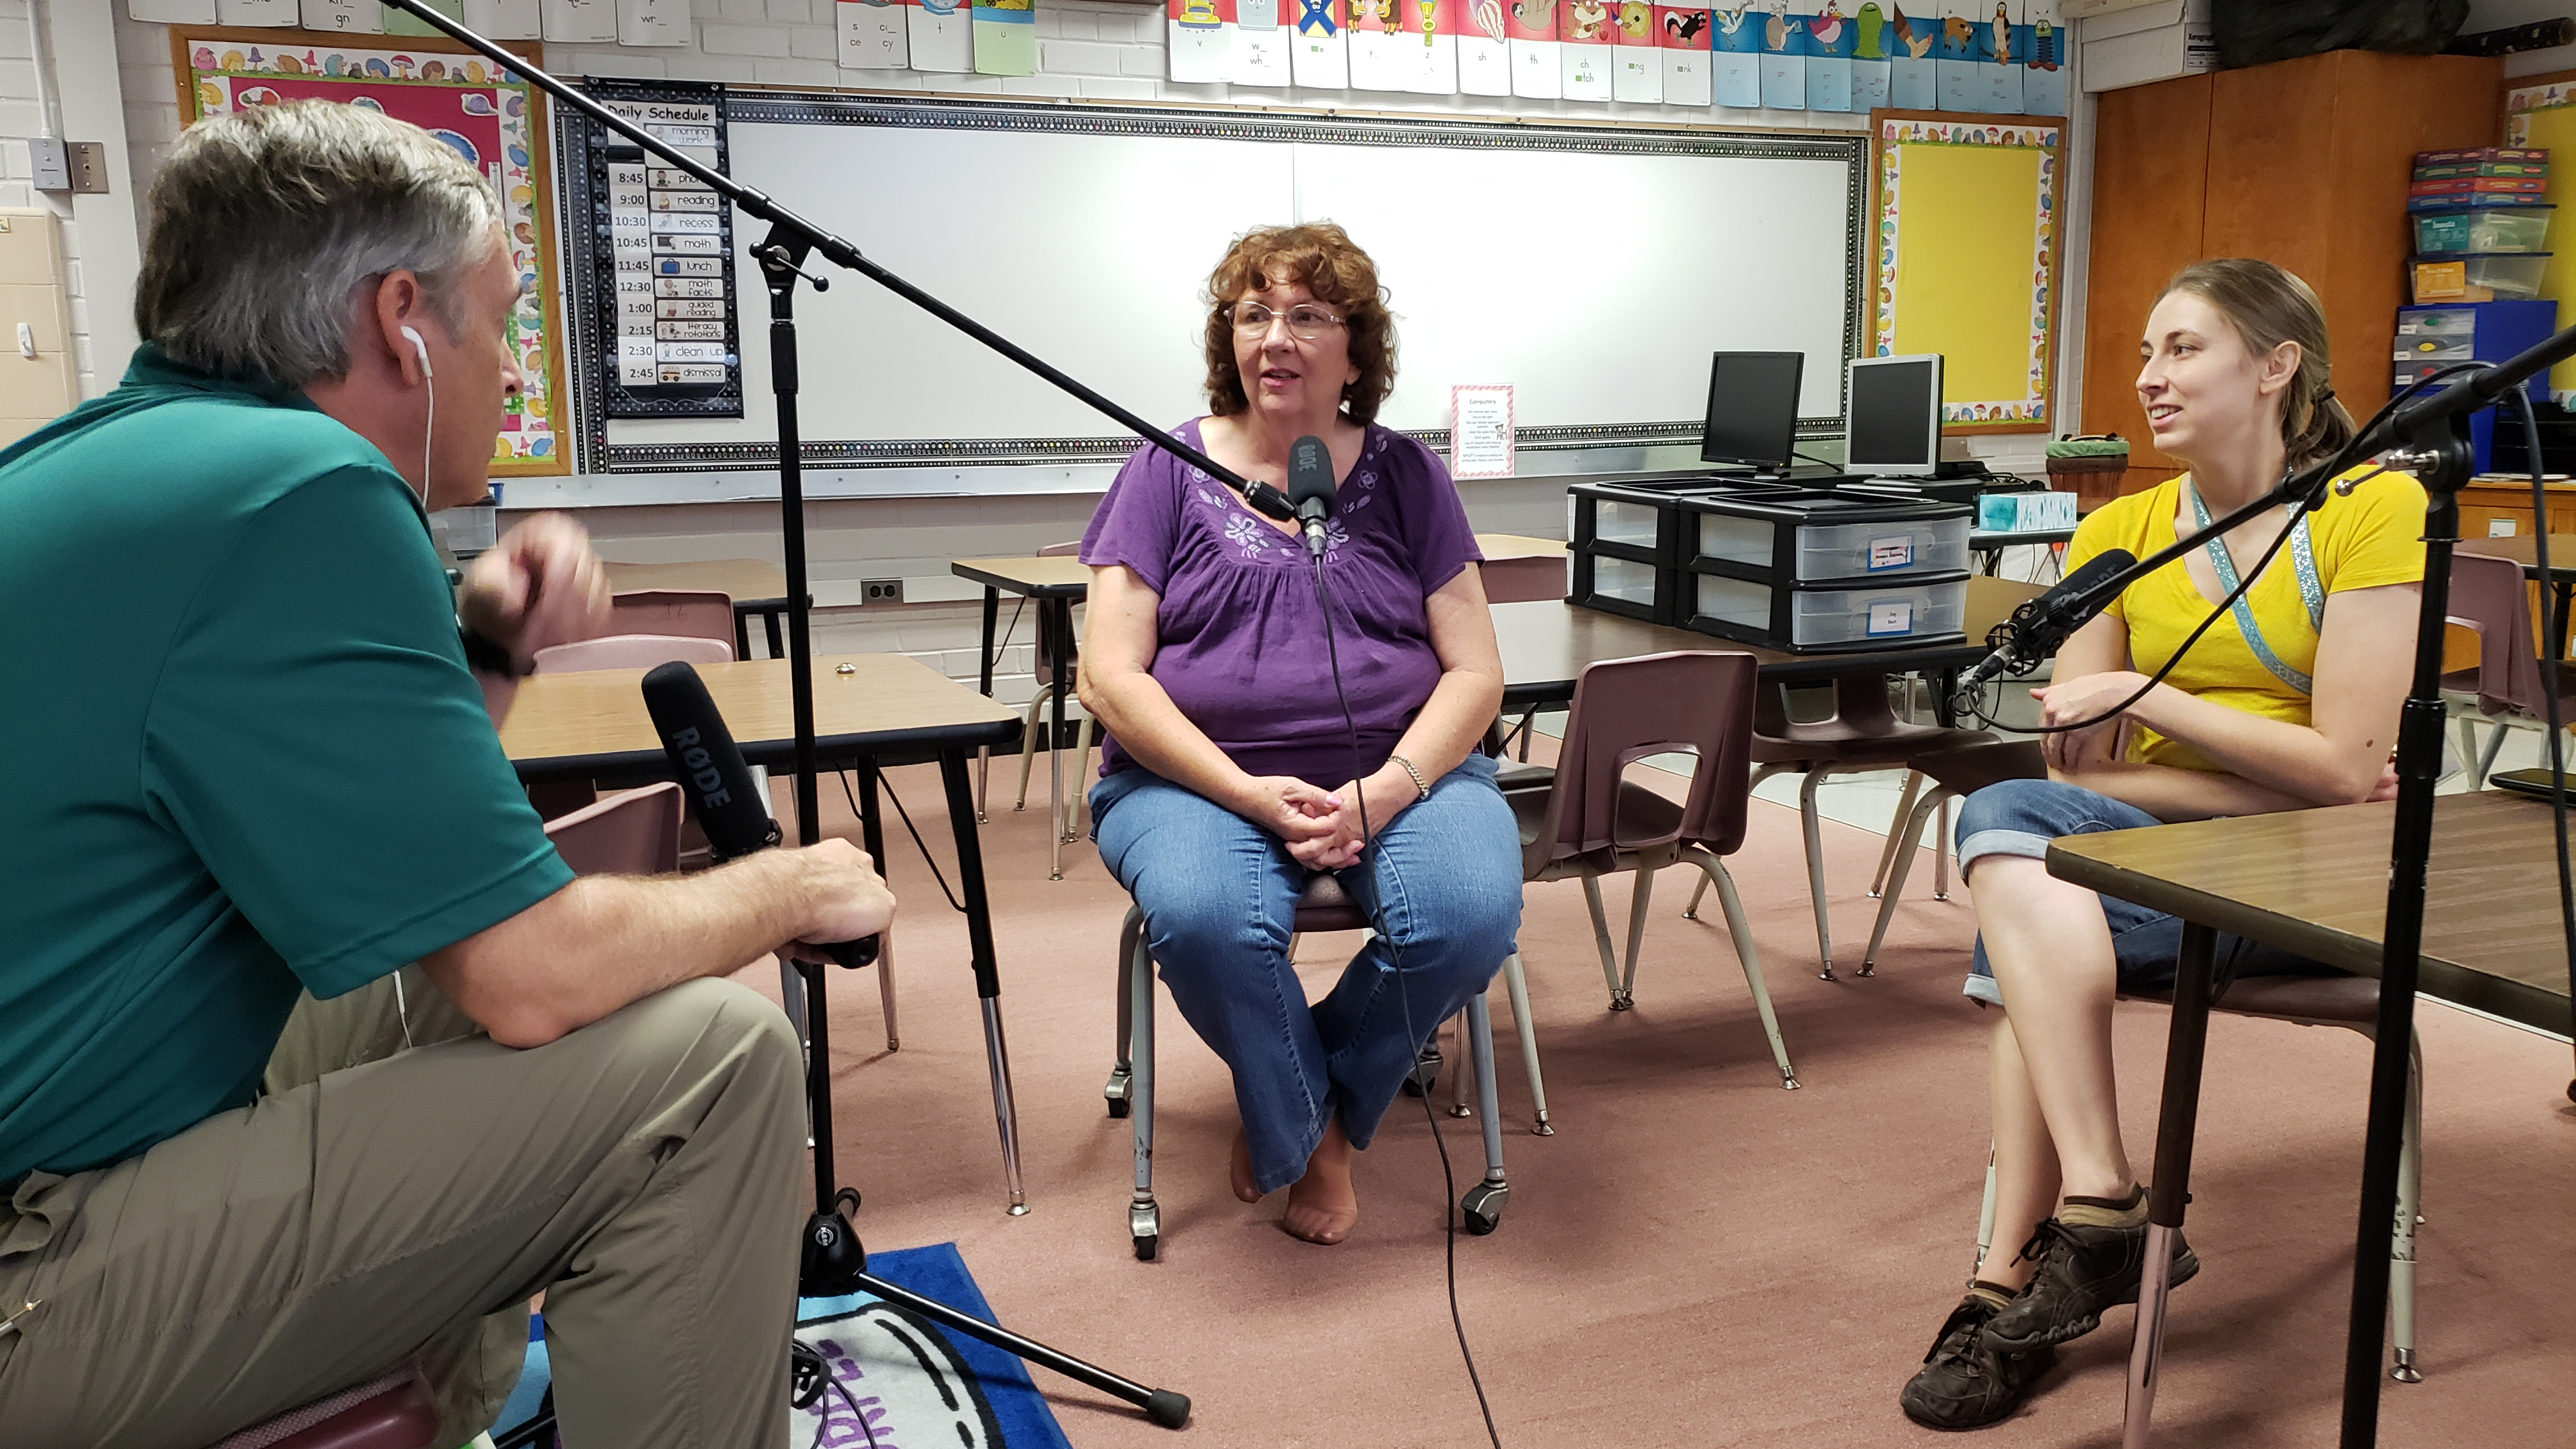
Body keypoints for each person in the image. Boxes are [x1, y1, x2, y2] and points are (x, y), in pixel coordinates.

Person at [0, 102, 893, 1449]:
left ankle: (457, 1421)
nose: (517, 373)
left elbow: (417, 878)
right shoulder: (303, 492)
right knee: (711, 1069)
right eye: (506, 317)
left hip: (70, 1129)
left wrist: (481, 641)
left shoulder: (116, 460)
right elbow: (530, 973)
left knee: (432, 987)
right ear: (402, 322)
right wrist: (786, 888)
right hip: (38, 1266)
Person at [1899, 258, 2424, 1430]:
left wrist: (2149, 697)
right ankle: (2093, 1214)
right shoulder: (2119, 530)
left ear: (2277, 366)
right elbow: (2071, 768)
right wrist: (2269, 775)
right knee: (2020, 848)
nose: (2149, 379)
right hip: (2160, 871)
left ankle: (2020, 1277)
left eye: (2183, 350)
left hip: (2307, 894)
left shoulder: (2373, 507)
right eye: (2148, 353)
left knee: (2017, 883)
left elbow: (2345, 772)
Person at [1077, 222, 1522, 1246]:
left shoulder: (1410, 476)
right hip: (1189, 783)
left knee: (1469, 914)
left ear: (1357, 353)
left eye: (1309, 315)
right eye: (1253, 314)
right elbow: (1108, 674)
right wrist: (1243, 791)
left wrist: (1391, 787)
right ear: (1228, 342)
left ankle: (1297, 1088)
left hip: (1401, 775)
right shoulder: (1164, 468)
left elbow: (1476, 670)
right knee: (1202, 916)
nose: (1276, 336)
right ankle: (1314, 1135)